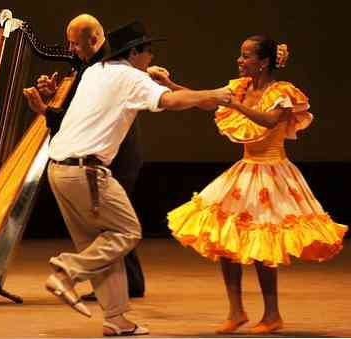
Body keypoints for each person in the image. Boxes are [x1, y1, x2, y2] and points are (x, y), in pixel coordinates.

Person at [24, 20, 231, 336]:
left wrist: (152, 76)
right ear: (135, 52)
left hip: (59, 171)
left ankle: (116, 318)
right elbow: (173, 102)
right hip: (87, 173)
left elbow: (125, 84)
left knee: (103, 244)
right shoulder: (131, 77)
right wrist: (216, 93)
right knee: (127, 232)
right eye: (148, 52)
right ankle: (68, 271)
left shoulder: (96, 72)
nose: (151, 57)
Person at [167, 35, 348, 334]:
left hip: (273, 173)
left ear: (263, 62)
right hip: (245, 171)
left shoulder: (283, 92)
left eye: (246, 56)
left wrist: (236, 104)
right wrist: (171, 85)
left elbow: (269, 121)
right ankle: (236, 311)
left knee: (265, 244)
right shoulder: (239, 87)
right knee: (225, 237)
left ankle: (272, 314)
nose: (240, 60)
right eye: (241, 55)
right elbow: (205, 100)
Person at [37, 14, 168, 300]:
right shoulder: (92, 68)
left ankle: (93, 278)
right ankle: (119, 299)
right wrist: (51, 100)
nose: (70, 49)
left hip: (112, 158)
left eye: (74, 43)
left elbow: (68, 120)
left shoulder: (103, 69)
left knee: (114, 226)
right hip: (100, 158)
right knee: (111, 226)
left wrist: (44, 109)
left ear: (95, 40)